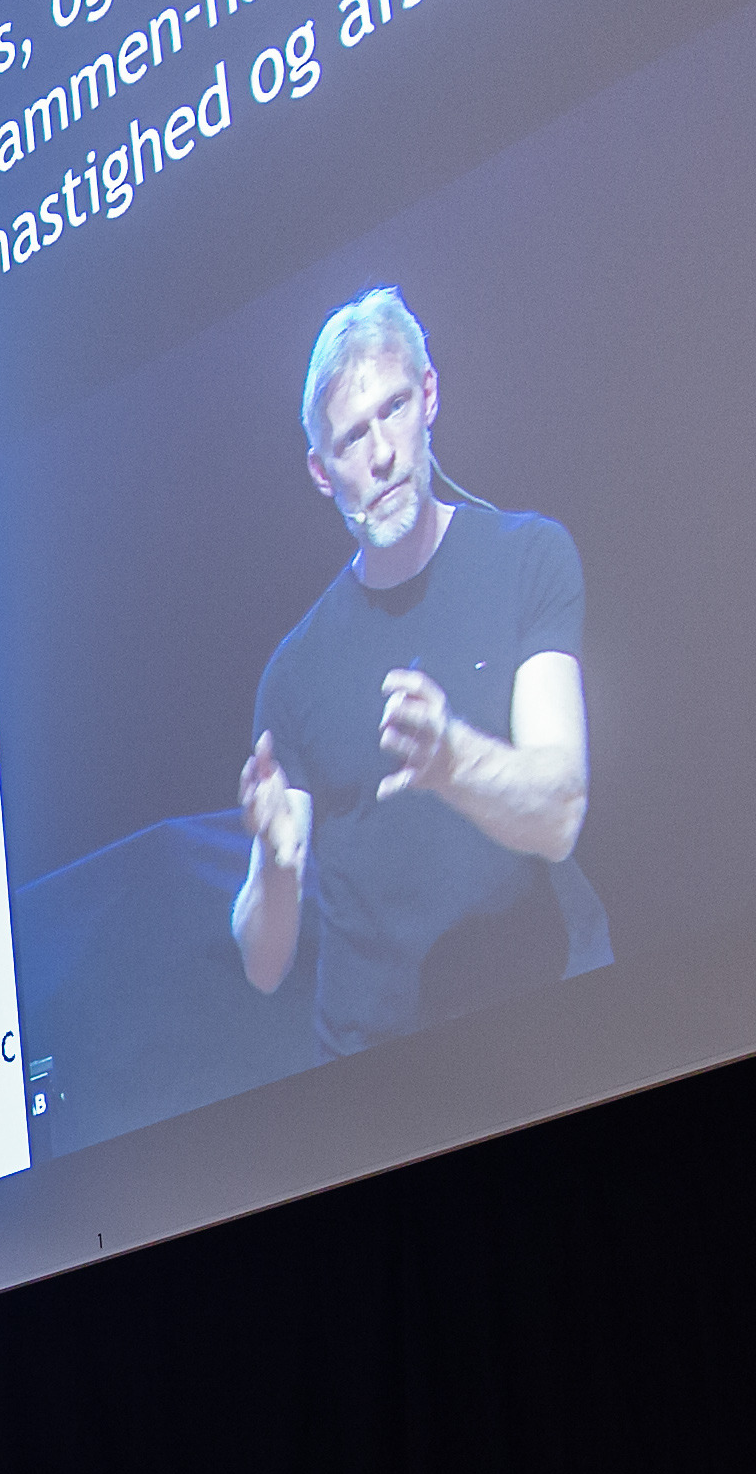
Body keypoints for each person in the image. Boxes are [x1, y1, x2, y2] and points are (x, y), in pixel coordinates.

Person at [232, 287, 591, 1045]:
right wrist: (271, 860)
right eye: (351, 438)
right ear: (322, 472)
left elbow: (561, 811)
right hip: (383, 1079)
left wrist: (451, 758)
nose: (382, 454)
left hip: (546, 1021)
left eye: (393, 409)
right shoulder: (294, 674)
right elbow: (264, 964)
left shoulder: (529, 557)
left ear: (429, 395)